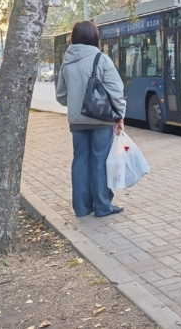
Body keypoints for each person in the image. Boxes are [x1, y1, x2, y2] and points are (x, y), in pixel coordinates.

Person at [56, 21, 127, 218]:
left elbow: (61, 96)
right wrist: (119, 116)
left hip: (77, 122)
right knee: (100, 161)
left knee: (80, 161)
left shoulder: (67, 62)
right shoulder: (101, 59)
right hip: (101, 119)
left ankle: (81, 208)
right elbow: (116, 91)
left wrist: (76, 104)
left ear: (74, 37)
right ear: (94, 37)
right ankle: (103, 206)